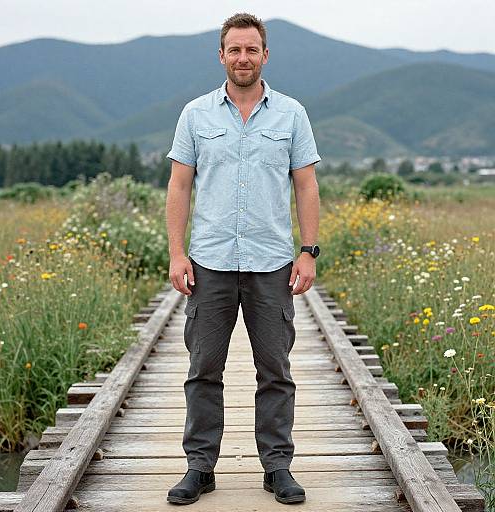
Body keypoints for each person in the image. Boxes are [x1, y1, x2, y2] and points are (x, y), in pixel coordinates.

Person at [164, 12, 321, 505]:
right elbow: (180, 184)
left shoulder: (292, 114)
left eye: (251, 49)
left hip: (272, 262)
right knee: (203, 368)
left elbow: (306, 184)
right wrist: (176, 252)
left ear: (265, 55)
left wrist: (308, 252)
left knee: (275, 369)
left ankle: (278, 468)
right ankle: (200, 467)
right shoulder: (195, 114)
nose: (243, 57)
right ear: (221, 55)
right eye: (234, 49)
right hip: (209, 262)